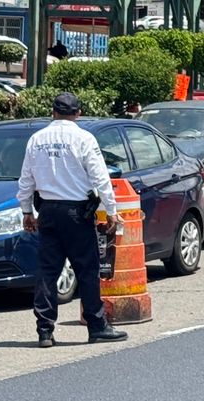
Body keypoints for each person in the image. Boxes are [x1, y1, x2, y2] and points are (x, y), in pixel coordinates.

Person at [16, 92, 128, 347]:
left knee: (47, 272)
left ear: (53, 112)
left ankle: (45, 330)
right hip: (77, 213)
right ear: (78, 114)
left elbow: (26, 180)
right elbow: (100, 178)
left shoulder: (37, 139)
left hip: (48, 212)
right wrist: (111, 210)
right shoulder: (83, 138)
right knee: (87, 270)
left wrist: (26, 212)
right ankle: (97, 326)